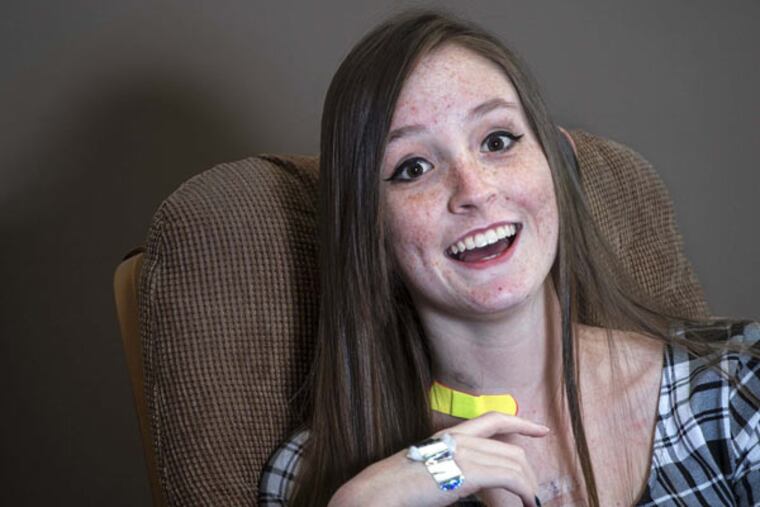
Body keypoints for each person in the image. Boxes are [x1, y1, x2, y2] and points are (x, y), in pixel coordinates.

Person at [258, 10, 760, 506]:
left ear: (558, 166)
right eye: (413, 168)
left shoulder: (738, 387)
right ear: (369, 232)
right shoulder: (307, 479)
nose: (474, 190)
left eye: (497, 141)